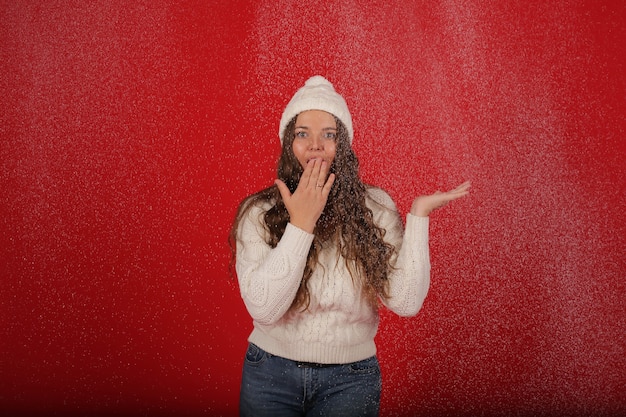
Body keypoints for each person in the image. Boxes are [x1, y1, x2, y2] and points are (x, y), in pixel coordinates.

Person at [229, 75, 470, 416]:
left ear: (343, 145)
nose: (316, 145)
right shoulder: (259, 213)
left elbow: (404, 302)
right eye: (303, 134)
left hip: (350, 379)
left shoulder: (377, 208)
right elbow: (264, 309)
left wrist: (418, 216)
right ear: (288, 144)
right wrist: (302, 224)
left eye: (329, 134)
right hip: (270, 373)